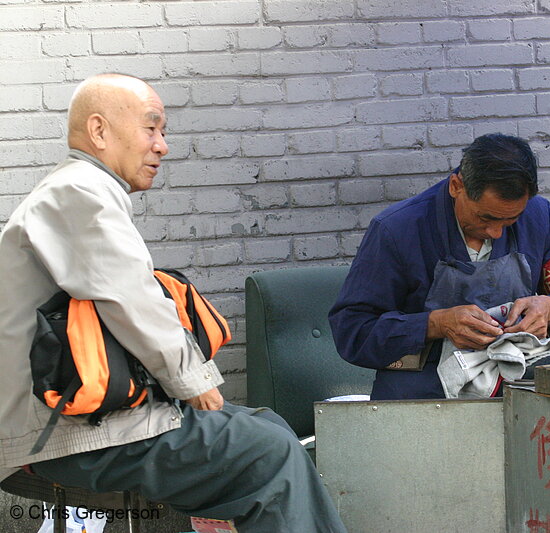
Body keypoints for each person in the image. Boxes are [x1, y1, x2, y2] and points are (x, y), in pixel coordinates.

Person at [0, 74, 347, 533]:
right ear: (100, 131)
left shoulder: (77, 191)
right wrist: (192, 380)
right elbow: (129, 297)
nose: (162, 146)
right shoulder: (79, 192)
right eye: (151, 128)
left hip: (75, 422)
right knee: (268, 455)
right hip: (64, 433)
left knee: (270, 428)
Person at [329, 133, 550, 400]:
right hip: (422, 396)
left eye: (510, 220)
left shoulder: (538, 217)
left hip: (518, 391)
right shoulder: (396, 230)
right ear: (456, 186)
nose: (496, 233)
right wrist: (434, 324)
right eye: (486, 218)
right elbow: (352, 331)